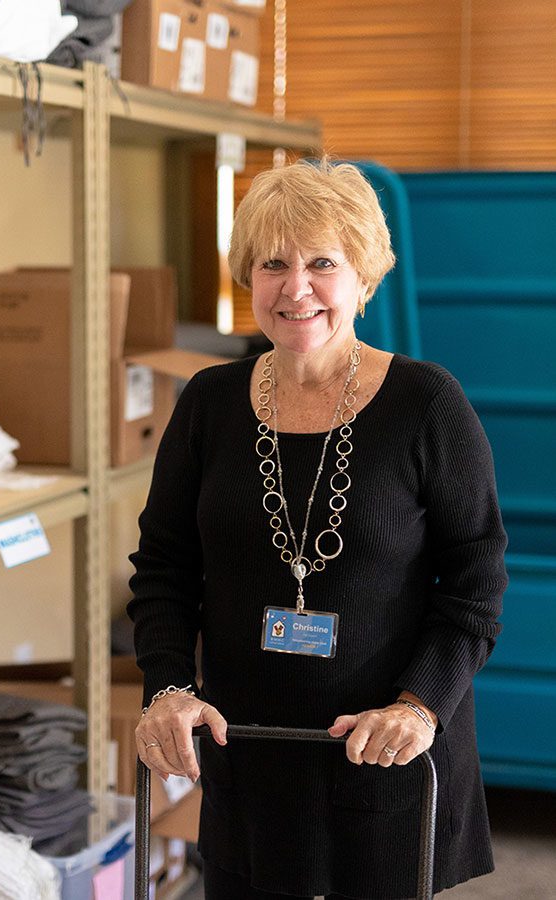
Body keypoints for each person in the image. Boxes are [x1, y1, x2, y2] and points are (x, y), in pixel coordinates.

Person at [127, 158, 507, 899]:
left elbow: (476, 582)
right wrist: (167, 686)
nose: (295, 288)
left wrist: (420, 705)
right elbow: (164, 567)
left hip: (386, 753)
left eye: (322, 263)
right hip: (252, 756)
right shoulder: (210, 402)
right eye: (273, 264)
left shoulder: (427, 404)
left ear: (364, 276)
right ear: (248, 277)